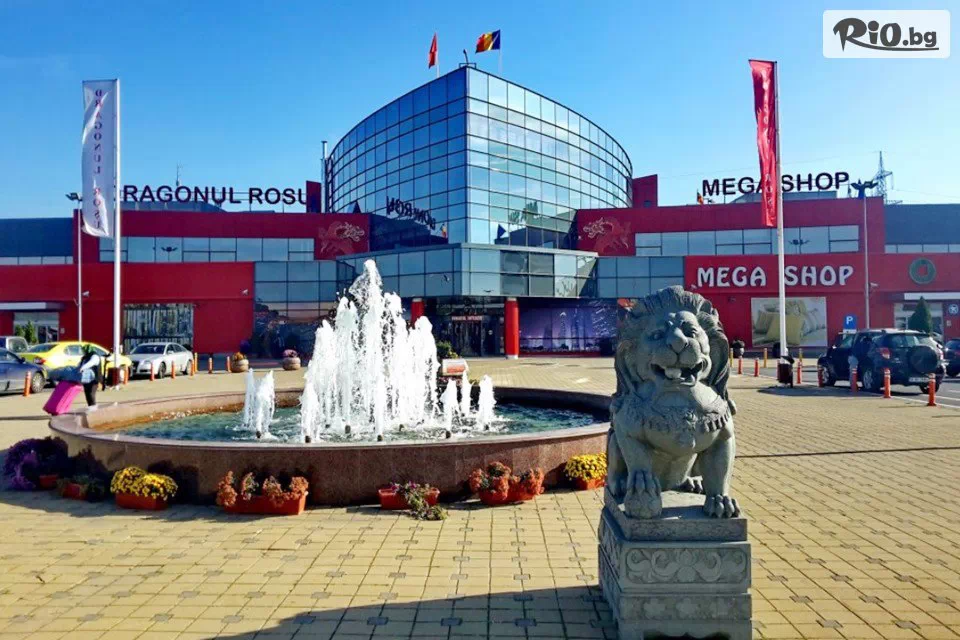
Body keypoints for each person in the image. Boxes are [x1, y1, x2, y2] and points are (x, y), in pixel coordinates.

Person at [77, 345, 103, 411]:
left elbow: (90, 363)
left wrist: (82, 368)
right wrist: (78, 369)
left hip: (94, 379)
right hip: (85, 379)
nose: (83, 352)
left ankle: (94, 409)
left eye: (84, 350)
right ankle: (91, 408)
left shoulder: (95, 356)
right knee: (87, 394)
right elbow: (80, 364)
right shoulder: (85, 357)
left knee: (91, 393)